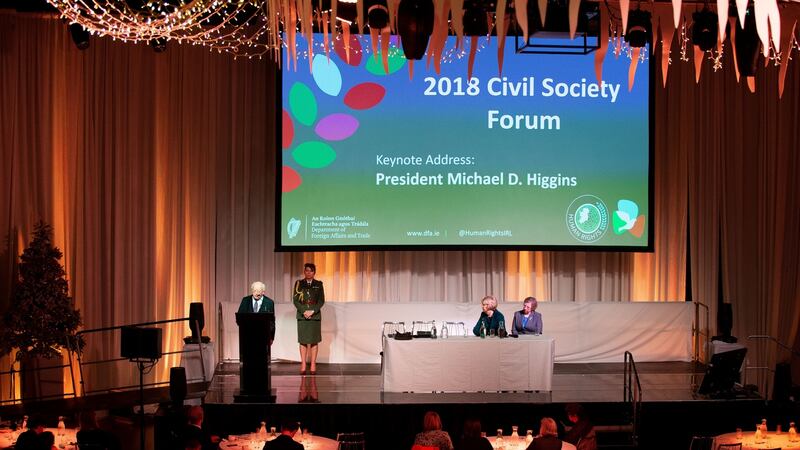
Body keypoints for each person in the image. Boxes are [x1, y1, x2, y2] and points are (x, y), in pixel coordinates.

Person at [292, 263, 325, 375]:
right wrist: (304, 311)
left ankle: (313, 364)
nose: (308, 272)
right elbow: (295, 300)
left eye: (311, 271)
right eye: (307, 270)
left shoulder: (319, 284)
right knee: (303, 341)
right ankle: (303, 364)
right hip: (302, 315)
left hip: (314, 315)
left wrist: (312, 311)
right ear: (304, 271)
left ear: (314, 272)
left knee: (314, 341)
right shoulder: (299, 284)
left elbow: (321, 301)